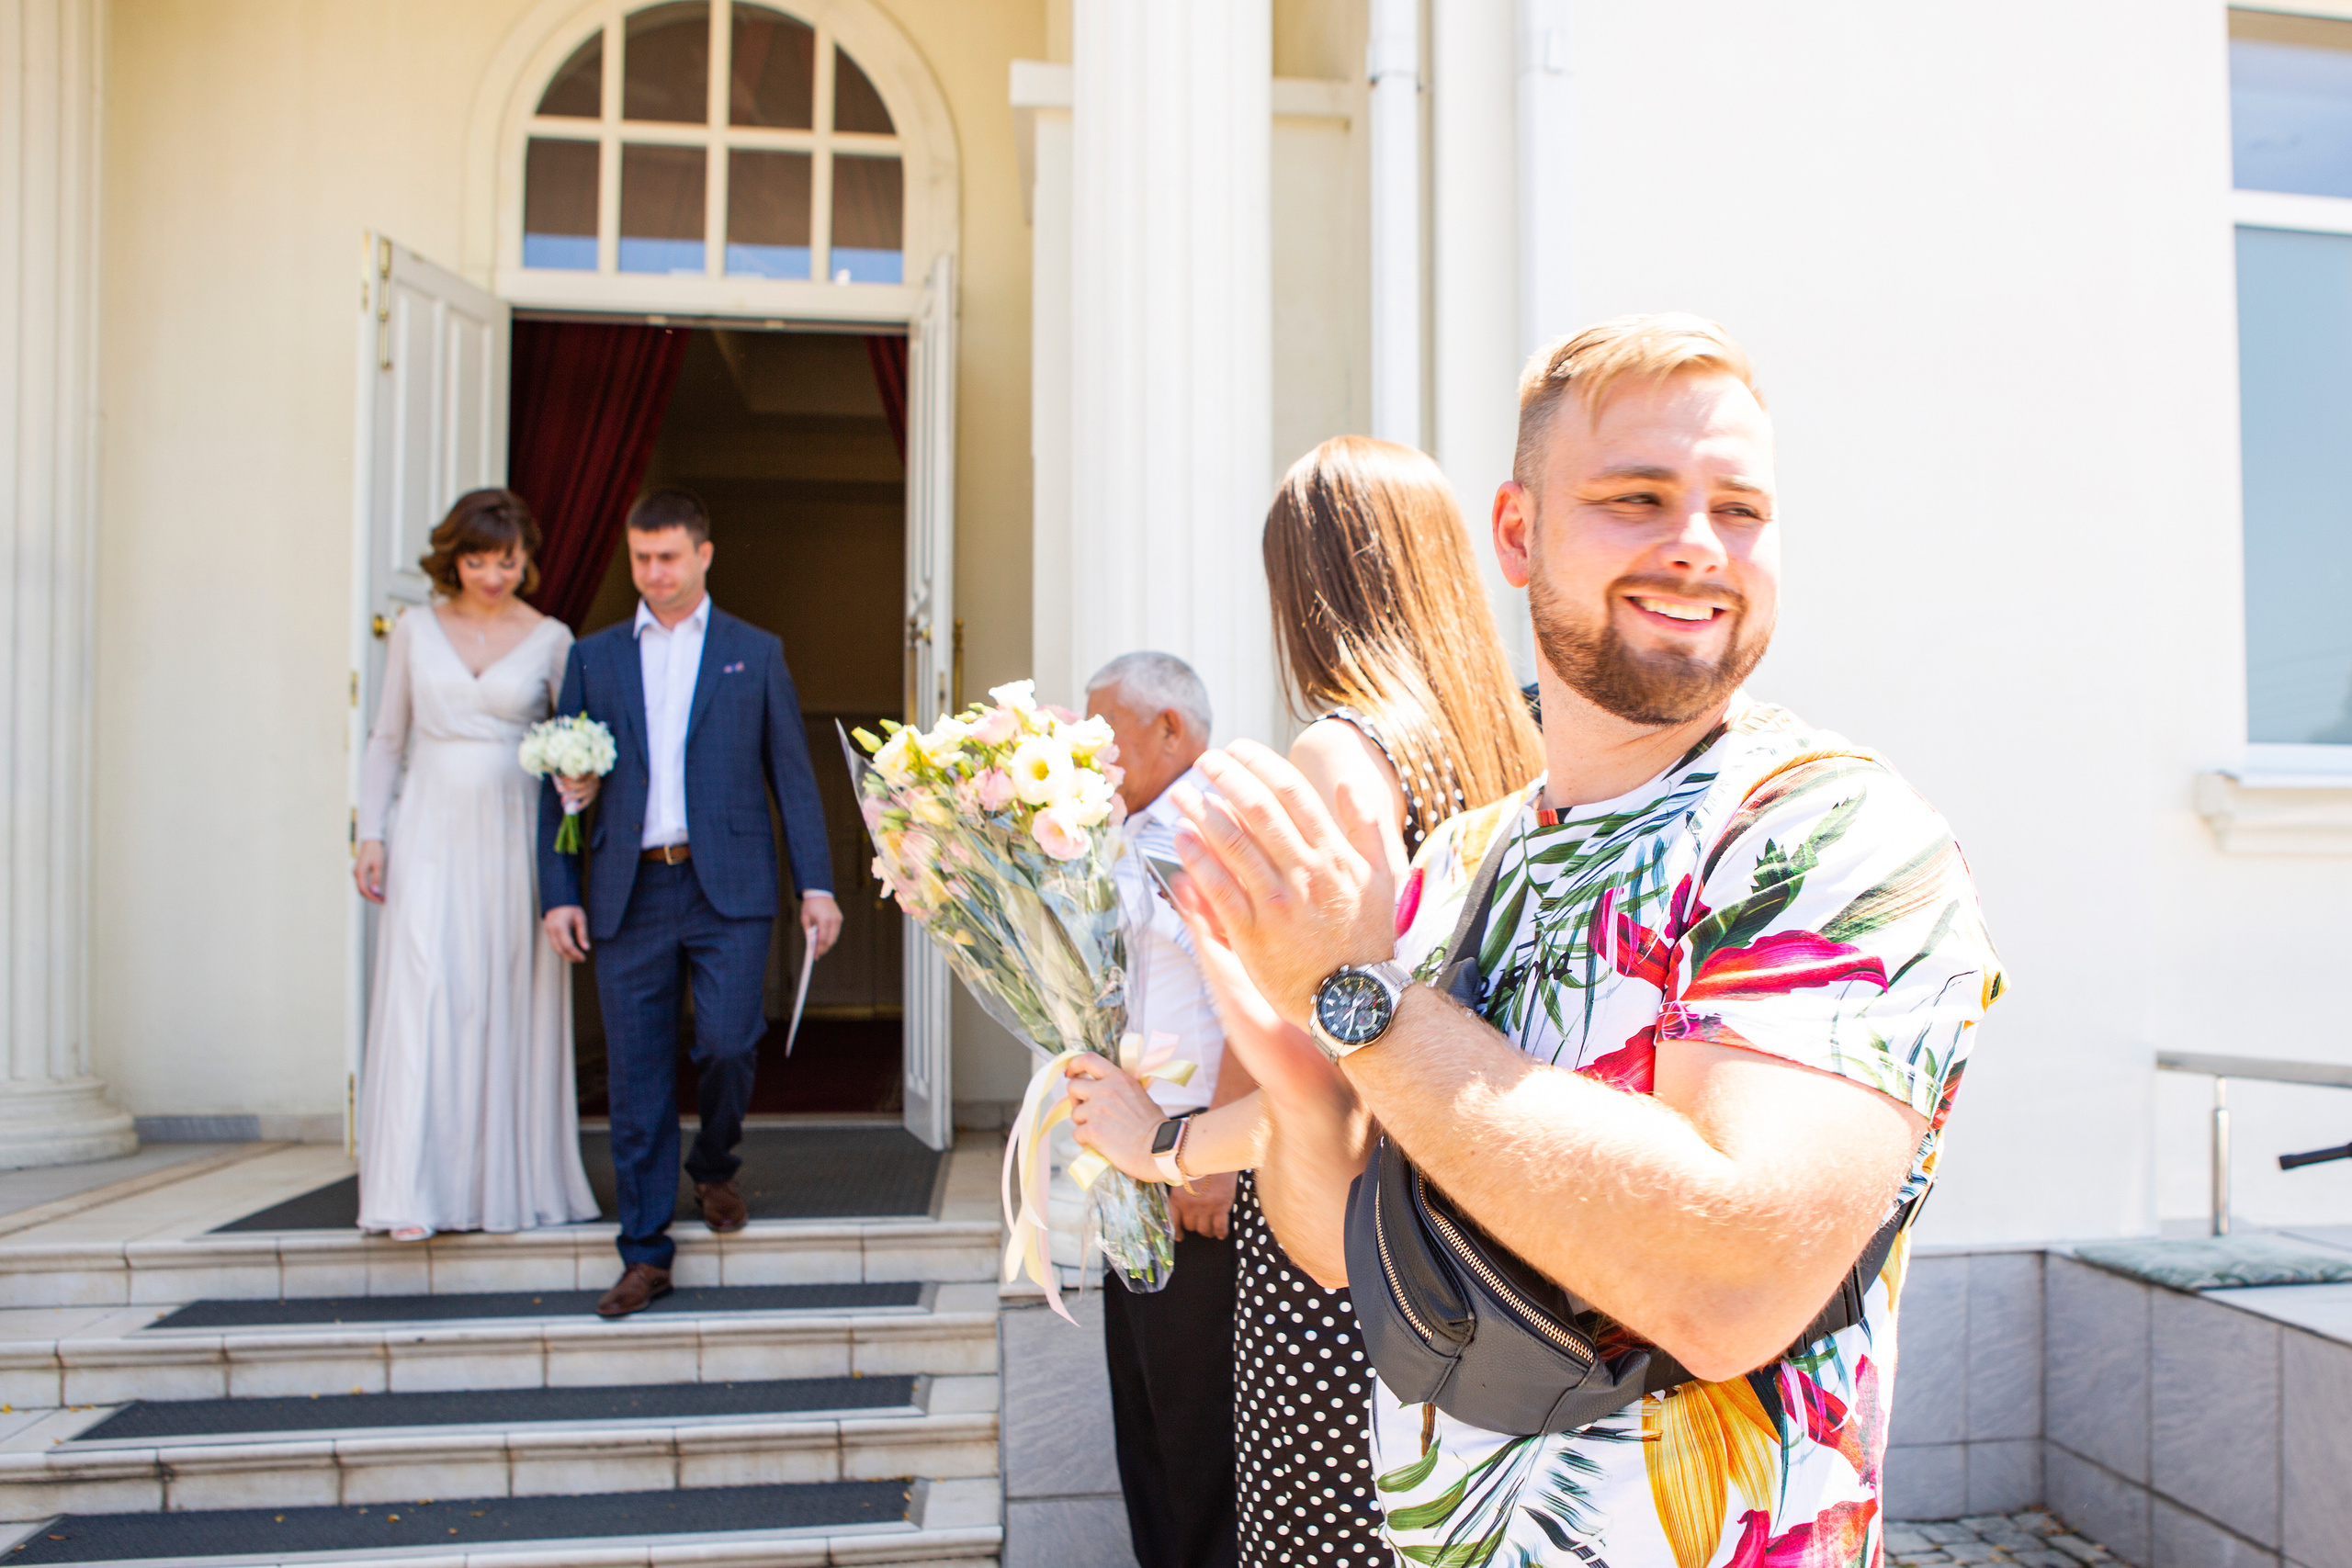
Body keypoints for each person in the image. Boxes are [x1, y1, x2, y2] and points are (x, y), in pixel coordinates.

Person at [1130, 315, 2005, 1567]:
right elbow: (1355, 1250)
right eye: (1637, 496)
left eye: (1741, 508)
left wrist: (1358, 993)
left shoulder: (1834, 834)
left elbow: (1731, 1279)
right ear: (1518, 532)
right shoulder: (1457, 867)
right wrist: (1298, 1069)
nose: (1697, 544)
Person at [1072, 437, 1543, 1568]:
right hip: (1482, 1245)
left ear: (1303, 583)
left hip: (1349, 1265)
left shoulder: (1343, 751)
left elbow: (1336, 1069)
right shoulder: (1507, 744)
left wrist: (1166, 1145)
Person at [537, 487, 842, 1318]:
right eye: (641, 559)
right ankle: (645, 1251)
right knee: (636, 1081)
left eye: (669, 557)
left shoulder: (756, 651)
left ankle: (713, 1161)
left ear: (704, 555)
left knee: (727, 1043)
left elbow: (793, 780)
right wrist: (558, 892)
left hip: (730, 888)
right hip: (627, 887)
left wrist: (816, 883)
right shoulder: (594, 658)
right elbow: (560, 783)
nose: (654, 573)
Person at [353, 489, 599, 1241]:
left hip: (514, 836)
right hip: (428, 830)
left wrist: (582, 778)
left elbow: (575, 735)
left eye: (507, 560)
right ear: (451, 559)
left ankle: (505, 1186)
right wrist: (372, 832)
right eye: (476, 560)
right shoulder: (414, 631)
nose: (492, 575)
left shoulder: (553, 637)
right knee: (424, 994)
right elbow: (387, 738)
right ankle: (409, 1192)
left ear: (526, 559)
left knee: (500, 997)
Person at [1080, 651, 1258, 1568]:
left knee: (1196, 1430)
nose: (1086, 753)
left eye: (1101, 732)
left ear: (1169, 730)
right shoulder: (1129, 832)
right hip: (1134, 1166)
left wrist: (1212, 1158)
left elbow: (1250, 1006)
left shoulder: (1199, 831)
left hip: (1194, 1167)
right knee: (1144, 1415)